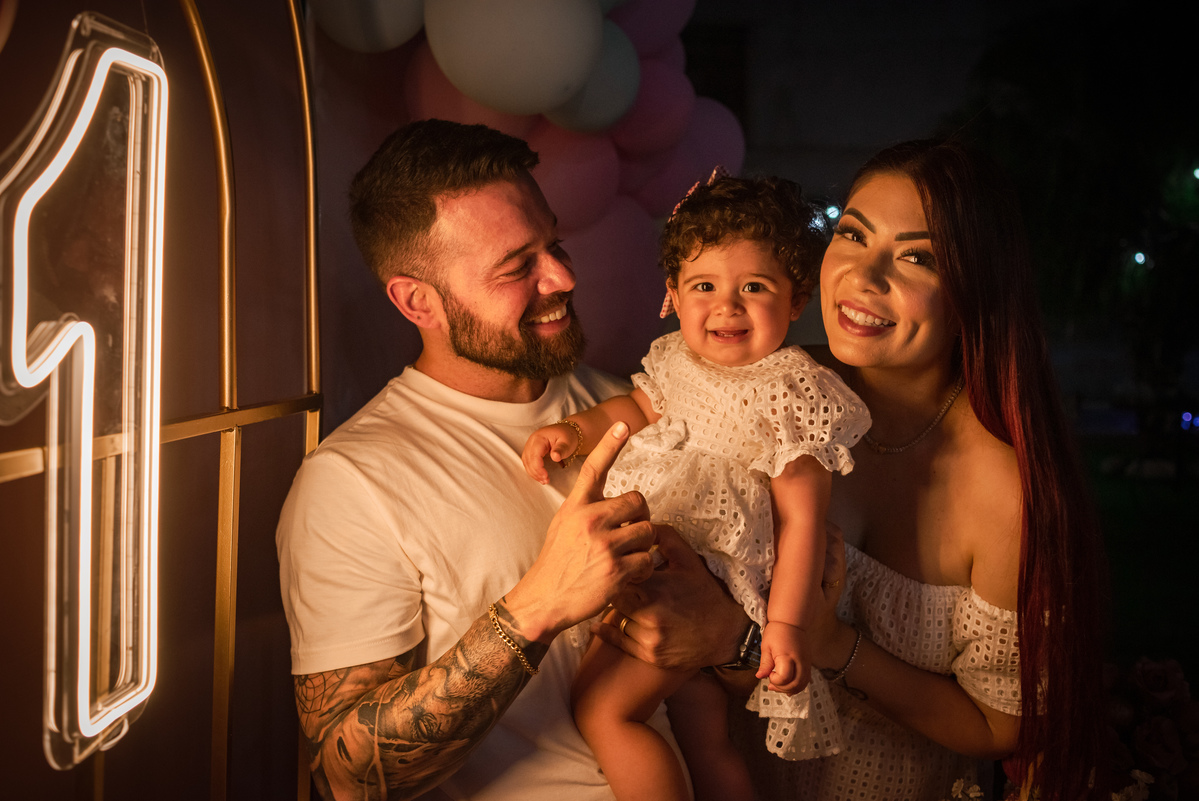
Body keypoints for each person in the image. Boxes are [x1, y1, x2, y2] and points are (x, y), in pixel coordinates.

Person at [275, 119, 753, 801]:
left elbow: (761, 671)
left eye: (553, 245)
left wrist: (730, 638)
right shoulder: (353, 482)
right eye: (516, 267)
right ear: (417, 301)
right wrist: (538, 606)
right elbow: (347, 775)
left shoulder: (639, 405)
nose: (563, 276)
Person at [706, 140, 1106, 801]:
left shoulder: (1004, 493)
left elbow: (999, 726)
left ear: (975, 291)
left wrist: (834, 644)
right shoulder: (770, 390)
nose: (863, 275)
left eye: (917, 257)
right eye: (852, 234)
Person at [522, 172, 871, 801]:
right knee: (704, 736)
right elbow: (635, 408)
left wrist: (786, 626)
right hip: (673, 563)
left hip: (706, 575)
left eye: (754, 287)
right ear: (674, 296)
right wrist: (574, 430)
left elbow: (802, 521)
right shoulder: (675, 361)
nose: (727, 306)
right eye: (704, 286)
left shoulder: (791, 391)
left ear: (796, 300)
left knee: (604, 711)